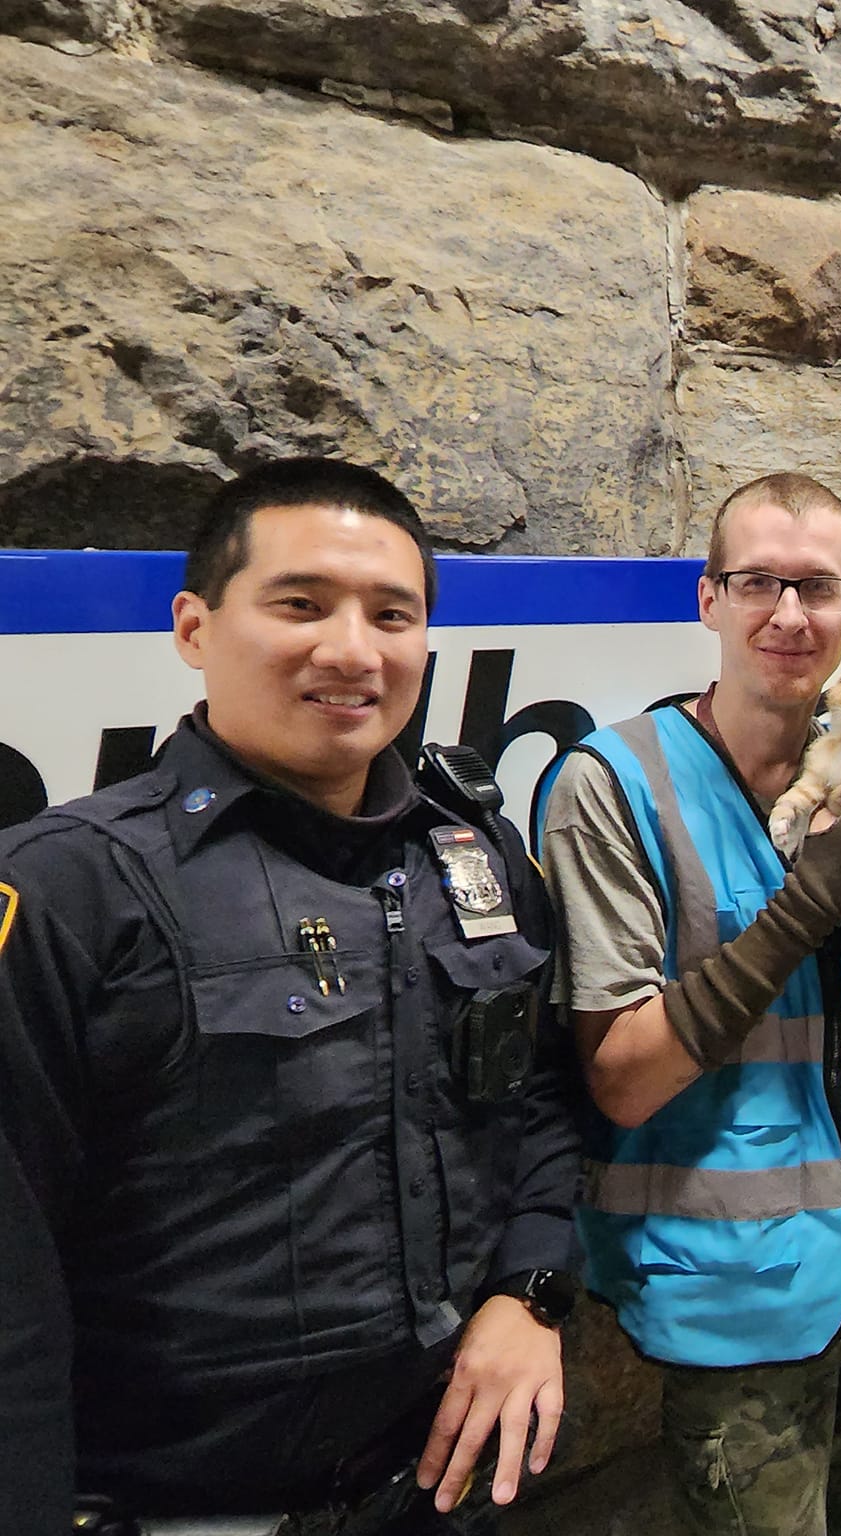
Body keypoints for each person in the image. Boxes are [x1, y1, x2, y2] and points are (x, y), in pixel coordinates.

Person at [0, 460, 582, 1534]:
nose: (352, 649)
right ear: (194, 625)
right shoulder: (66, 890)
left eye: (391, 614)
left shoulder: (476, 858)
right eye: (301, 605)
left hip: (437, 1491)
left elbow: (538, 1098)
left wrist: (531, 1288)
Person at [537, 471, 841, 1536]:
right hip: (737, 1297)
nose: (788, 614)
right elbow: (626, 1079)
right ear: (707, 598)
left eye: (818, 587)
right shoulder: (614, 785)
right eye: (757, 584)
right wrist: (808, 901)